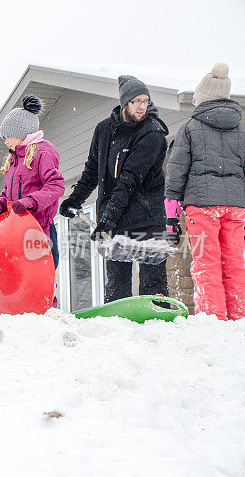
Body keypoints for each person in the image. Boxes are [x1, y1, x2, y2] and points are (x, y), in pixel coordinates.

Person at [59, 75, 170, 303]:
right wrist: (75, 199)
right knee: (117, 287)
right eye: (136, 101)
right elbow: (92, 171)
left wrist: (106, 220)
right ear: (124, 103)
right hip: (118, 221)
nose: (142, 106)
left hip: (147, 220)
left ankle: (158, 328)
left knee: (153, 286)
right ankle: (117, 330)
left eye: (145, 101)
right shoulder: (104, 130)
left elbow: (129, 180)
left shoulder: (153, 134)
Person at [164, 63, 245, 320]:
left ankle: (213, 319)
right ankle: (239, 317)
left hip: (201, 205)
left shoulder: (190, 128)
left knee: (206, 263)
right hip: (235, 205)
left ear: (204, 97)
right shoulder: (241, 129)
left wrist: (171, 210)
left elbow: (177, 170)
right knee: (235, 263)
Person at [0, 95, 65, 269]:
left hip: (40, 229)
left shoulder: (43, 153)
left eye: (8, 137)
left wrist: (30, 202)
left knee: (40, 278)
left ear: (21, 133)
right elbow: (8, 192)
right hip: (17, 230)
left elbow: (55, 186)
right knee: (20, 279)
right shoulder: (15, 160)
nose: (5, 141)